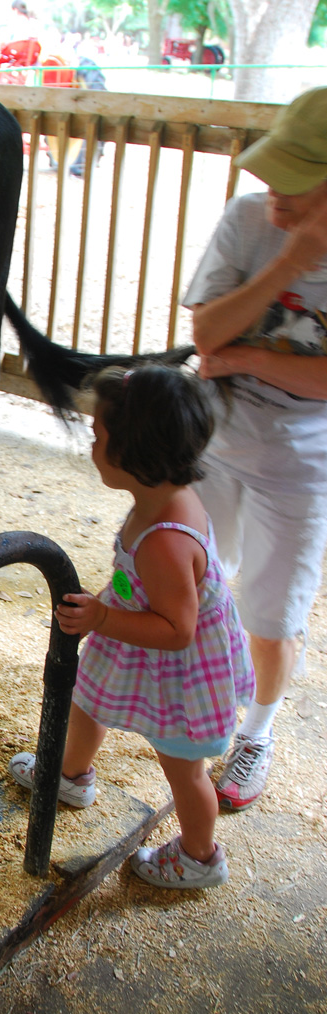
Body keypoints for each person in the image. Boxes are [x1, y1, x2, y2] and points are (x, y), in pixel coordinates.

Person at [9, 366, 254, 890]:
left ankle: (198, 856)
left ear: (133, 453)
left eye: (99, 436)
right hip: (134, 640)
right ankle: (70, 775)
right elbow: (135, 581)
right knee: (87, 700)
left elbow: (178, 630)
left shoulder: (167, 540)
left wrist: (102, 618)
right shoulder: (160, 498)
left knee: (185, 768)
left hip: (179, 668)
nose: (92, 444)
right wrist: (107, 605)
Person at [183, 86, 327, 813]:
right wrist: (291, 259)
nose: (270, 190)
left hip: (305, 462)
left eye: (293, 178)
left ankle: (256, 734)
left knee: (270, 617)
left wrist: (248, 359)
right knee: (185, 573)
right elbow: (207, 335)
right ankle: (169, 698)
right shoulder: (247, 220)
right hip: (216, 436)